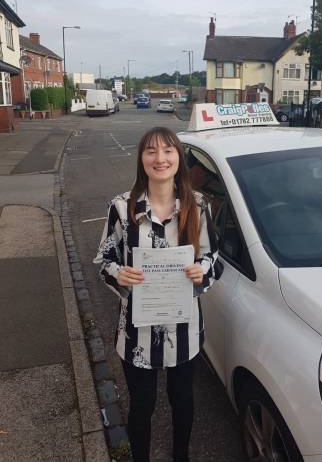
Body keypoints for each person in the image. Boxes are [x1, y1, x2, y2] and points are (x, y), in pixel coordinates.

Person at [94, 127, 218, 462]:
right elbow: (105, 258)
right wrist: (119, 273)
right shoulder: (122, 208)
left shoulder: (198, 206)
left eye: (168, 151)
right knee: (143, 404)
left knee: (182, 400)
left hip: (185, 328)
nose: (160, 159)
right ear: (141, 160)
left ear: (179, 158)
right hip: (137, 332)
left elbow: (212, 255)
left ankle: (181, 456)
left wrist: (201, 269)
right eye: (151, 151)